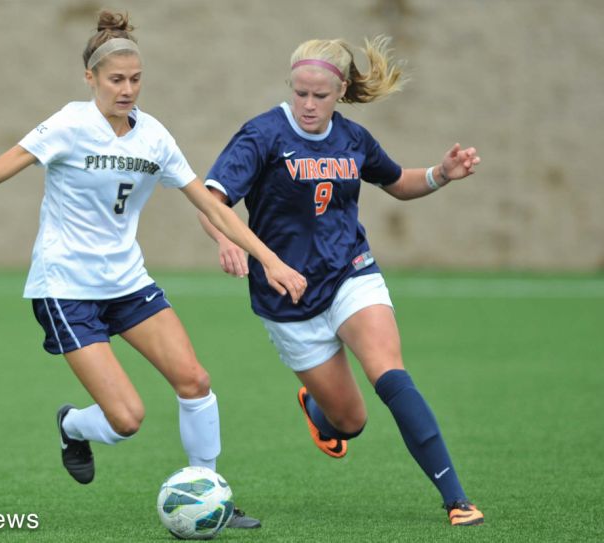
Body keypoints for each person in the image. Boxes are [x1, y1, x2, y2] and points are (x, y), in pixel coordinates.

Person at [0, 10, 308, 530]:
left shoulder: (154, 136)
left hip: (129, 283)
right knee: (127, 419)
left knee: (195, 380)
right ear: (90, 79)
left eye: (135, 79)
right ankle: (73, 424)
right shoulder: (68, 125)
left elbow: (212, 205)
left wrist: (267, 258)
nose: (127, 89)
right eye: (116, 80)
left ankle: (209, 493)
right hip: (66, 289)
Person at [198, 36, 484, 527]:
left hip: (351, 273)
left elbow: (396, 182)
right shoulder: (262, 135)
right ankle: (318, 409)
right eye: (300, 93)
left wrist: (440, 174)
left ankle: (456, 498)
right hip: (286, 297)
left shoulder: (353, 139)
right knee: (350, 422)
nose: (308, 105)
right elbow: (211, 201)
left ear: (342, 91)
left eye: (320, 96)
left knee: (390, 374)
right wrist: (231, 243)